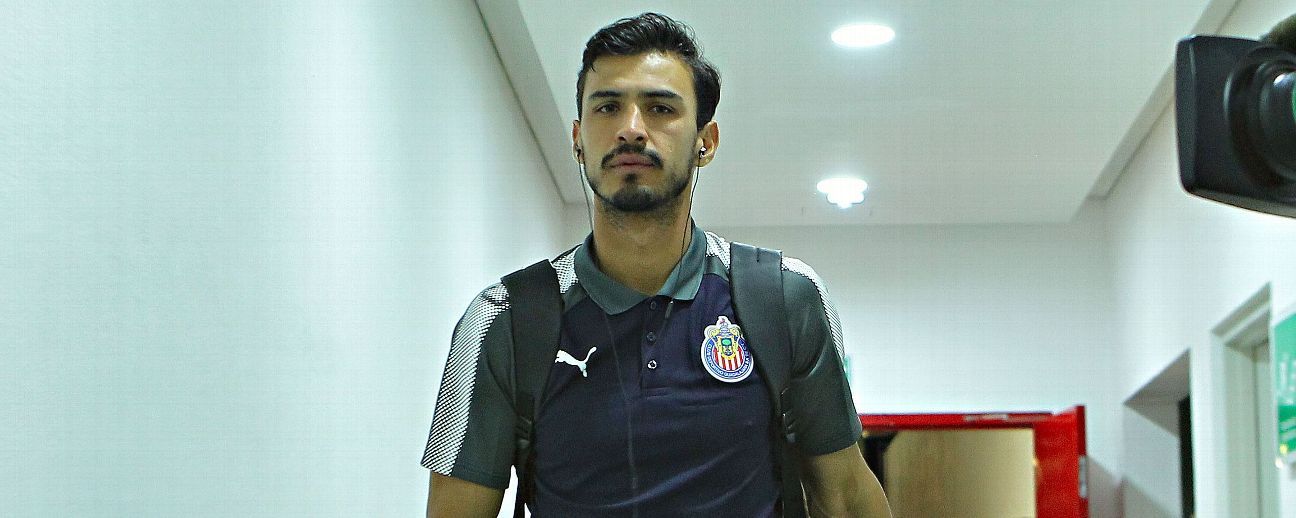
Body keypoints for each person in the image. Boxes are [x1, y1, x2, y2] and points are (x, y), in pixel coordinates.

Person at [422, 12, 892, 518]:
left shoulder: (785, 296)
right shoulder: (503, 318)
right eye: (608, 107)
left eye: (660, 108)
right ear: (578, 139)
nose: (630, 129)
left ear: (706, 142)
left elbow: (846, 498)